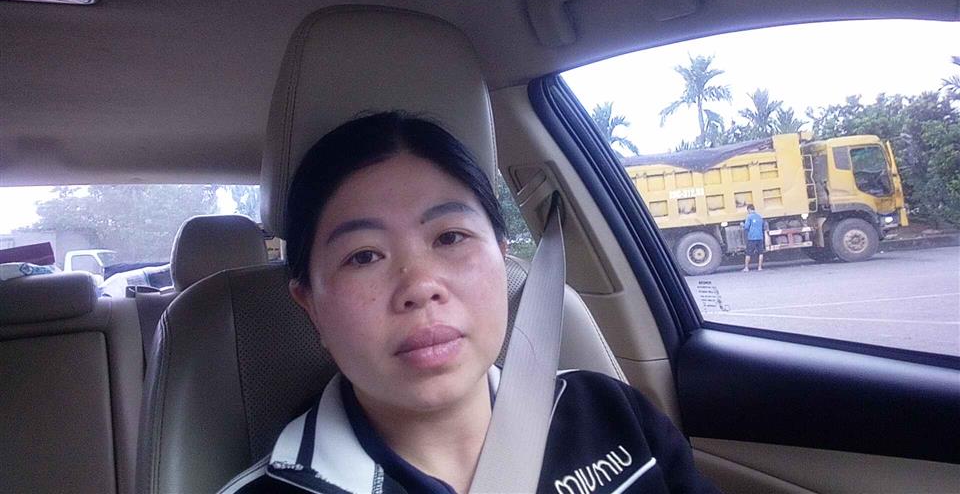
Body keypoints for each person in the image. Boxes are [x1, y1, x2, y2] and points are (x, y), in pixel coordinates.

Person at [221, 112, 719, 494]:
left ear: (502, 256)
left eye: (450, 237)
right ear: (309, 305)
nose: (420, 285)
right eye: (364, 256)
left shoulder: (613, 416)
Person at [742, 204, 765, 272]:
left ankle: (746, 268)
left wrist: (742, 225)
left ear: (749, 209)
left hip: (752, 237)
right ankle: (759, 267)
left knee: (748, 253)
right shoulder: (759, 216)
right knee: (760, 253)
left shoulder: (749, 217)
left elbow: (746, 227)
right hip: (760, 237)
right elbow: (762, 226)